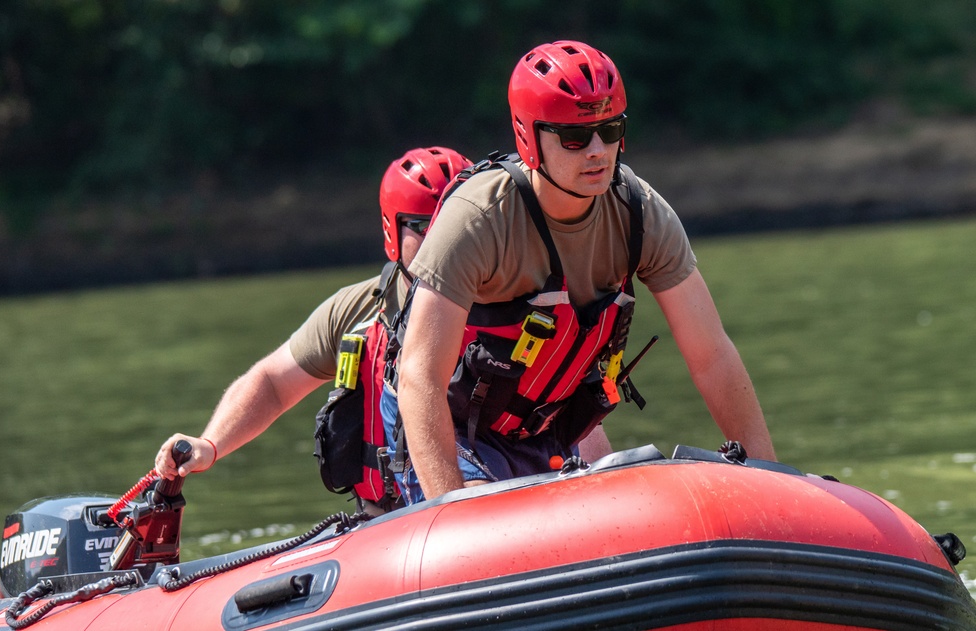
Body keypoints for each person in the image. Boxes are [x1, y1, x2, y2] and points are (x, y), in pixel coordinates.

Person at [382, 40, 777, 505]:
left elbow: (712, 356)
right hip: (453, 431)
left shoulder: (641, 214)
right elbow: (420, 376)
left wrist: (770, 477)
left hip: (548, 430)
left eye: (609, 130)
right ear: (529, 137)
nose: (597, 151)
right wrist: (449, 514)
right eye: (574, 137)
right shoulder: (477, 218)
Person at [154, 146, 472, 513]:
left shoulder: (512, 294)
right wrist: (209, 445)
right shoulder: (360, 309)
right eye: (423, 225)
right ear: (391, 231)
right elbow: (273, 383)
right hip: (390, 522)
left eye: (454, 222)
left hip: (487, 499)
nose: (444, 239)